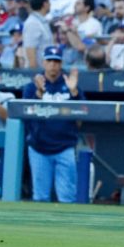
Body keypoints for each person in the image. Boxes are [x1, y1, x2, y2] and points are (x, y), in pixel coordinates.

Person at [21, 46, 83, 203]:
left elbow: (81, 120)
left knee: (67, 198)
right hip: (39, 148)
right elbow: (26, 115)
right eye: (49, 60)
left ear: (61, 63)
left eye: (56, 61)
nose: (53, 65)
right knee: (40, 197)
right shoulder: (32, 86)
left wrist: (74, 93)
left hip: (65, 147)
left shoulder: (70, 84)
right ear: (43, 62)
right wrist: (39, 94)